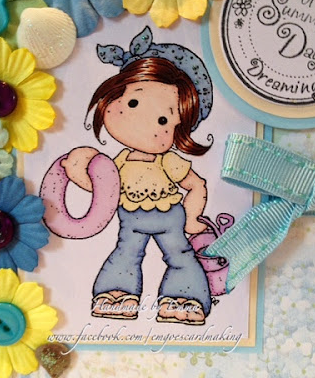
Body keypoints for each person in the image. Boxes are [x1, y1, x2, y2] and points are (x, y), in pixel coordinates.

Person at [62, 27, 214, 325]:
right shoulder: (118, 162)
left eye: (163, 119)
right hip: (131, 218)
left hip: (169, 217)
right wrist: (77, 170)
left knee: (180, 254)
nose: (143, 122)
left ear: (178, 130)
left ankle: (185, 298)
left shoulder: (168, 161)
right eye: (133, 103)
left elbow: (196, 185)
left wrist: (193, 218)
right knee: (126, 252)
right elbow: (103, 189)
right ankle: (116, 295)